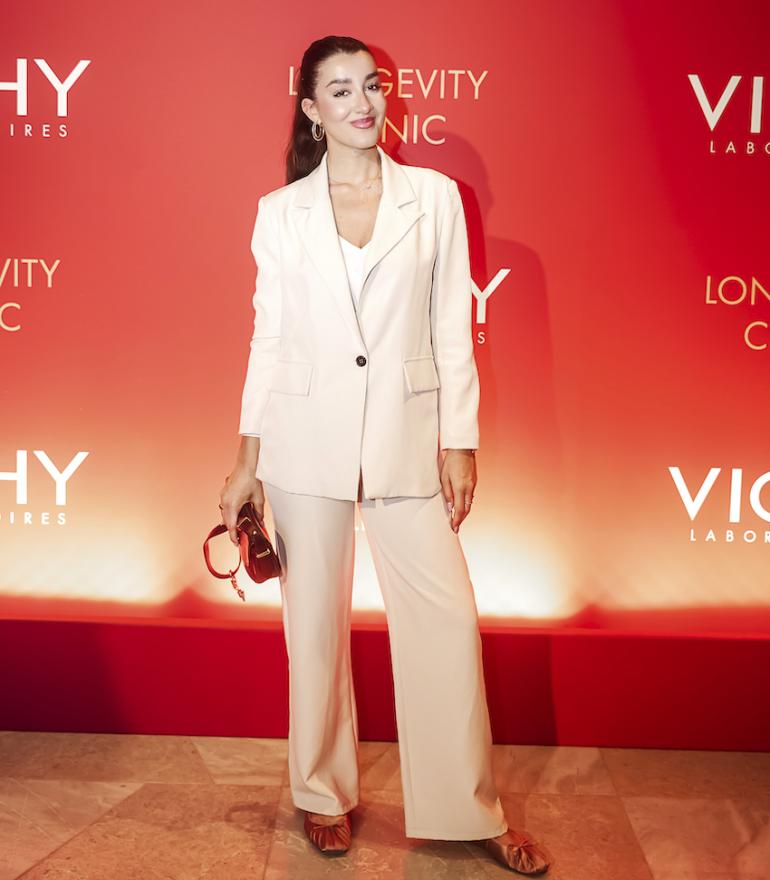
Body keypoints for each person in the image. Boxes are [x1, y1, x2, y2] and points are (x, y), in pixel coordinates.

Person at [219, 34, 551, 875]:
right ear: (311, 110)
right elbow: (269, 338)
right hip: (303, 438)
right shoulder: (279, 212)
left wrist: (460, 440)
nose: (363, 103)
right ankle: (322, 794)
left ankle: (466, 806)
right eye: (340, 91)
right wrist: (246, 460)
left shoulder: (434, 198)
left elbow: (452, 328)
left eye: (370, 85)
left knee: (446, 624)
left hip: (407, 435)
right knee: (314, 630)